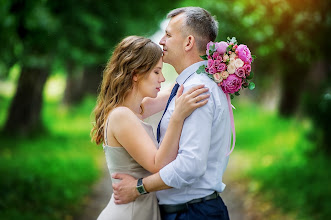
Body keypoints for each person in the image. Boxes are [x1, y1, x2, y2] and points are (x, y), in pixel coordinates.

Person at [112, 7, 231, 220]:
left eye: (168, 35)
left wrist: (139, 187)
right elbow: (139, 107)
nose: (162, 41)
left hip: (192, 213)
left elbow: (190, 166)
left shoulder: (197, 91)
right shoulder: (187, 85)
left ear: (188, 42)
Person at [90, 35, 210, 220]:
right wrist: (177, 117)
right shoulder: (122, 116)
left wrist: (220, 64)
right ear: (136, 74)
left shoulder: (136, 109)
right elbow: (158, 165)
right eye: (156, 72)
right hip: (127, 214)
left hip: (140, 211)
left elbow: (177, 89)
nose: (162, 79)